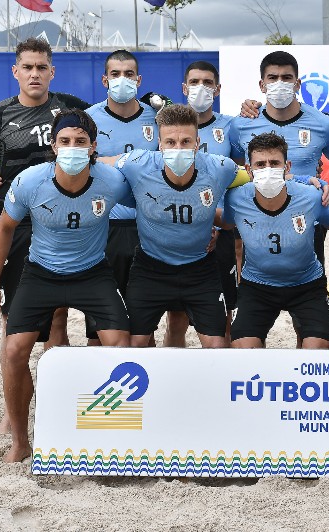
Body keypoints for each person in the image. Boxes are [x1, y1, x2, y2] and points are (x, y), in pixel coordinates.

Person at [0, 109, 132, 462]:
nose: (72, 147)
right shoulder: (31, 181)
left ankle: (105, 431)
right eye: (65, 141)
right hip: (41, 273)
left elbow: (152, 201)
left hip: (92, 273)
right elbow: (4, 229)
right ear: (53, 146)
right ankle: (20, 442)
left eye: (80, 141)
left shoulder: (113, 182)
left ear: (93, 147)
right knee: (14, 351)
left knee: (120, 346)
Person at [0, 38, 90, 432]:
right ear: (15, 71)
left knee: (58, 317)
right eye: (27, 67)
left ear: (52, 71)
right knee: (13, 323)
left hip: (65, 223)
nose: (34, 74)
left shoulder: (73, 109)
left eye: (41, 67)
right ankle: (13, 411)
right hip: (15, 227)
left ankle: (55, 405)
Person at [111, 105, 237, 348]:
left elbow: (257, 178)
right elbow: (98, 166)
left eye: (185, 141)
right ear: (159, 144)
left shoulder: (222, 167)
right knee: (133, 345)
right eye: (170, 142)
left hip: (200, 269)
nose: (178, 148)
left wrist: (306, 180)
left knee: (218, 347)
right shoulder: (137, 163)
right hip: (150, 268)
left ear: (197, 143)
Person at [221, 133, 329, 349]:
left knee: (317, 350)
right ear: (249, 170)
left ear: (287, 166)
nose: (267, 170)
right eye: (260, 164)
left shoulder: (312, 197)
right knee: (243, 350)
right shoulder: (235, 198)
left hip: (306, 285)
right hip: (257, 285)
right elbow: (226, 223)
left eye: (274, 163)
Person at [163, 60, 240, 346]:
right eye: (194, 82)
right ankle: (174, 371)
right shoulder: (169, 127)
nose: (201, 88)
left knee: (223, 322)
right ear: (184, 88)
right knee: (176, 320)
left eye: (208, 83)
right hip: (178, 231)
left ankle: (223, 373)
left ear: (217, 89)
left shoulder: (231, 126)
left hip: (218, 234)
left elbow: (241, 177)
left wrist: (219, 223)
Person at [85, 49, 157, 346]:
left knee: (144, 331)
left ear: (138, 80)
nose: (122, 79)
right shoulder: (89, 118)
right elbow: (82, 164)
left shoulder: (157, 117)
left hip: (148, 228)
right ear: (105, 80)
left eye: (129, 74)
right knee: (99, 330)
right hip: (104, 229)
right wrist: (126, 160)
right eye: (115, 74)